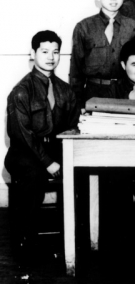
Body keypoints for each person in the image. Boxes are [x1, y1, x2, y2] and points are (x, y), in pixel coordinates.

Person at [5, 31, 80, 258]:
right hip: (24, 152)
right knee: (34, 175)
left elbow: (72, 126)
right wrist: (48, 162)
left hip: (55, 148)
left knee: (83, 171)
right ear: (33, 53)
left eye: (55, 52)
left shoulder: (66, 90)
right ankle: (25, 243)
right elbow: (21, 134)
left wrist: (63, 157)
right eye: (44, 51)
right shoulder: (21, 91)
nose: (50, 57)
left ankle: (76, 239)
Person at [70, 0, 135, 106]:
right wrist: (77, 105)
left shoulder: (134, 27)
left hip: (124, 94)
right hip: (93, 94)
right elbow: (76, 73)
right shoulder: (84, 28)